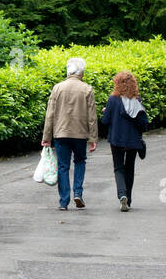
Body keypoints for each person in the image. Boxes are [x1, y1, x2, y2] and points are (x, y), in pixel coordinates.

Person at [41, 57, 97, 210]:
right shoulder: (87, 89)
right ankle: (77, 193)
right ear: (81, 72)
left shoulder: (57, 88)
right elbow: (92, 117)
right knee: (80, 162)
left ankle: (63, 201)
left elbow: (50, 115)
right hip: (80, 134)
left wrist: (46, 137)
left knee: (63, 166)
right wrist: (93, 138)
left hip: (61, 133)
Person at [101, 70, 149, 212]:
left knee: (118, 168)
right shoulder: (137, 101)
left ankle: (122, 195)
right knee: (130, 168)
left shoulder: (113, 100)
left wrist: (106, 112)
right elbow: (144, 125)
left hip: (116, 139)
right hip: (133, 141)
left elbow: (105, 121)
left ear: (117, 84)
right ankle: (128, 199)